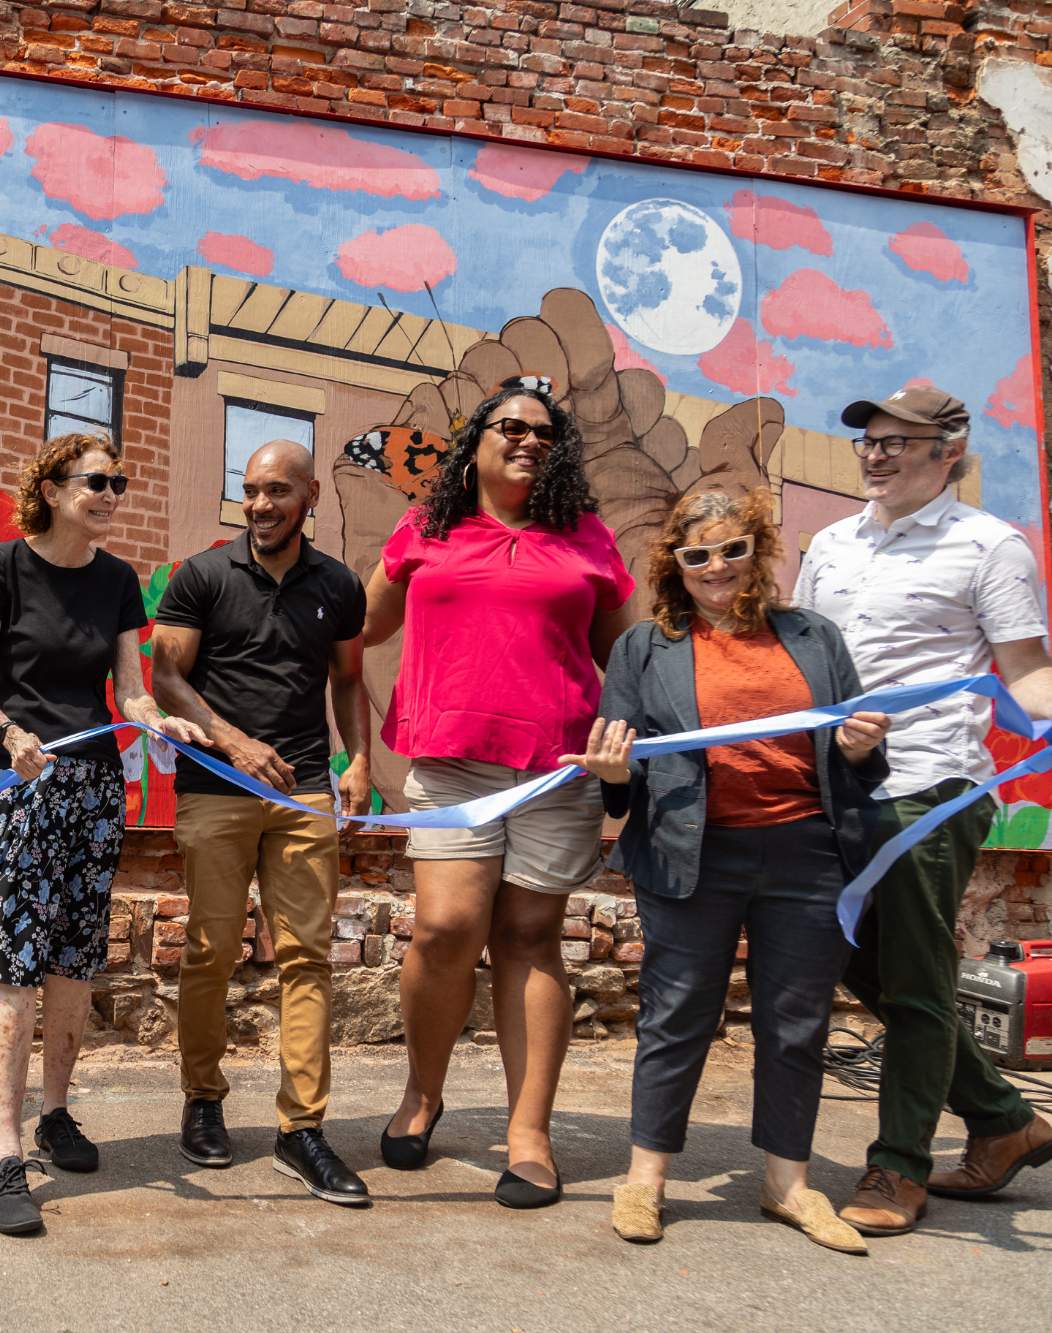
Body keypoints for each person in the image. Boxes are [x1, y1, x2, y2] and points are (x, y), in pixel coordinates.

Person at [567, 489, 888, 1252]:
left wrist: (856, 747)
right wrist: (611, 770)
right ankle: (645, 1179)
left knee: (797, 1024)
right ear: (675, 563)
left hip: (808, 852)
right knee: (676, 1017)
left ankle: (788, 1182)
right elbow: (621, 784)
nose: (717, 566)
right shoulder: (643, 649)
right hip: (691, 854)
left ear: (760, 549)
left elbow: (864, 763)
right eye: (698, 553)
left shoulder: (815, 638)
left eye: (733, 548)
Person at [0, 434, 206, 1235]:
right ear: (54, 486)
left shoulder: (117, 581)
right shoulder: (6, 564)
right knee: (13, 959)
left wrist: (160, 721)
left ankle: (56, 1113)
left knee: (75, 955)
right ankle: (4, 1153)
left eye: (120, 482)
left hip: (93, 787)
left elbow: (132, 691)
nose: (111, 493)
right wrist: (9, 733)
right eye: (97, 481)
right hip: (19, 781)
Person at [360, 379, 633, 1208]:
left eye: (543, 434)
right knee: (445, 927)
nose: (525, 440)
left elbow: (624, 659)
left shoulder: (585, 536)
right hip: (451, 761)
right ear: (474, 441)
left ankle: (530, 1134)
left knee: (529, 936)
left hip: (555, 767)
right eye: (508, 426)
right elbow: (360, 625)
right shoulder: (427, 527)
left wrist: (627, 751)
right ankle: (423, 1092)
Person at [793, 386, 1052, 1236]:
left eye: (898, 441)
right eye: (868, 439)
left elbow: (1024, 670)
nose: (875, 454)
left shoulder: (989, 547)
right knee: (845, 953)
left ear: (949, 451)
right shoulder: (830, 543)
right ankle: (1003, 1117)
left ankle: (898, 1166)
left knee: (912, 976)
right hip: (835, 784)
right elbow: (800, 662)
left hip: (929, 788)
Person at [150, 438, 371, 1207]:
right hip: (215, 785)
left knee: (307, 956)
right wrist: (235, 743)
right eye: (249, 490)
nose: (260, 504)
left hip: (306, 789)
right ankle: (203, 1098)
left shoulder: (339, 584)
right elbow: (165, 674)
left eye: (278, 490)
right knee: (211, 951)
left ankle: (300, 1129)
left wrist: (360, 762)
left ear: (311, 495)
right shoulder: (203, 575)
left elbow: (348, 679)